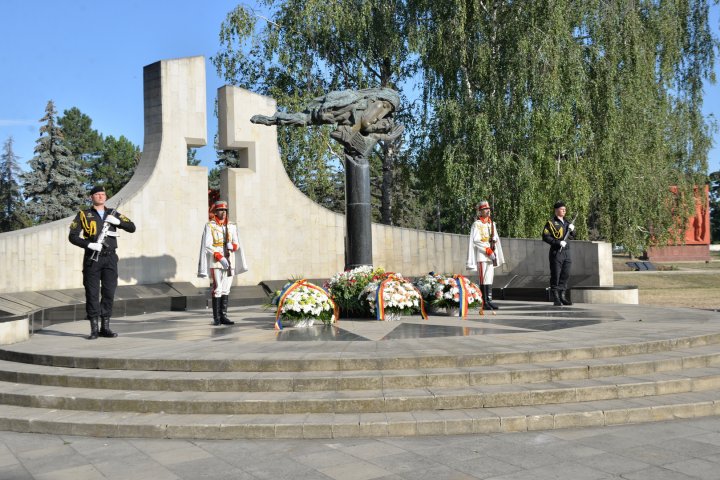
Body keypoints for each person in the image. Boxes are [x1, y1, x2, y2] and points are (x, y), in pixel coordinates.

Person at [68, 186, 136, 339]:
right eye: (97, 194)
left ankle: (105, 327)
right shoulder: (83, 215)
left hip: (110, 258)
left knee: (109, 292)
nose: (100, 196)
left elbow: (132, 227)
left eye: (103, 194)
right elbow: (72, 236)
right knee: (92, 293)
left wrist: (118, 222)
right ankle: (94, 329)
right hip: (92, 257)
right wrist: (88, 244)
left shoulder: (113, 213)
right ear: (91, 197)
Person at [197, 200, 248, 325]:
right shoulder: (210, 225)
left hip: (230, 260)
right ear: (216, 212)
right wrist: (219, 256)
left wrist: (233, 246)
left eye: (225, 210)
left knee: (226, 289)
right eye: (221, 210)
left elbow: (237, 244)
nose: (223, 212)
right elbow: (207, 245)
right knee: (217, 288)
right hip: (217, 261)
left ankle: (223, 315)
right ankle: (216, 317)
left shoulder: (231, 226)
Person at [467, 200, 504, 310]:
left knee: (489, 278)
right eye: (485, 209)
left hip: (491, 255)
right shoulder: (477, 224)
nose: (488, 211)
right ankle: (484, 302)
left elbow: (495, 238)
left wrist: (494, 244)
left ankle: (489, 300)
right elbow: (476, 240)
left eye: (488, 209)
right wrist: (488, 250)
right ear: (480, 212)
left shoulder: (492, 224)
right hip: (483, 255)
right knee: (483, 279)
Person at [542, 201, 576, 306]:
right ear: (556, 210)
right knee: (556, 275)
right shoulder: (551, 223)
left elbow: (572, 236)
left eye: (565, 209)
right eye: (562, 209)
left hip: (567, 252)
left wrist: (572, 230)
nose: (564, 211)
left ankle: (562, 296)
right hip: (556, 252)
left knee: (565, 274)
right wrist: (557, 242)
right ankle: (556, 297)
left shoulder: (567, 222)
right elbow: (545, 237)